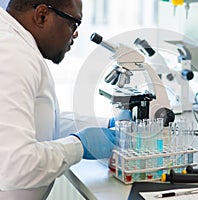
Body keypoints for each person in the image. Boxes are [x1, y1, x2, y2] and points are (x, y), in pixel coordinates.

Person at [0, 0, 130, 199]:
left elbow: (40, 122)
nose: (75, 33)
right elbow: (15, 166)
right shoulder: (13, 55)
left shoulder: (17, 46)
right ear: (42, 15)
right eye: (73, 23)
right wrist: (79, 145)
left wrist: (107, 125)